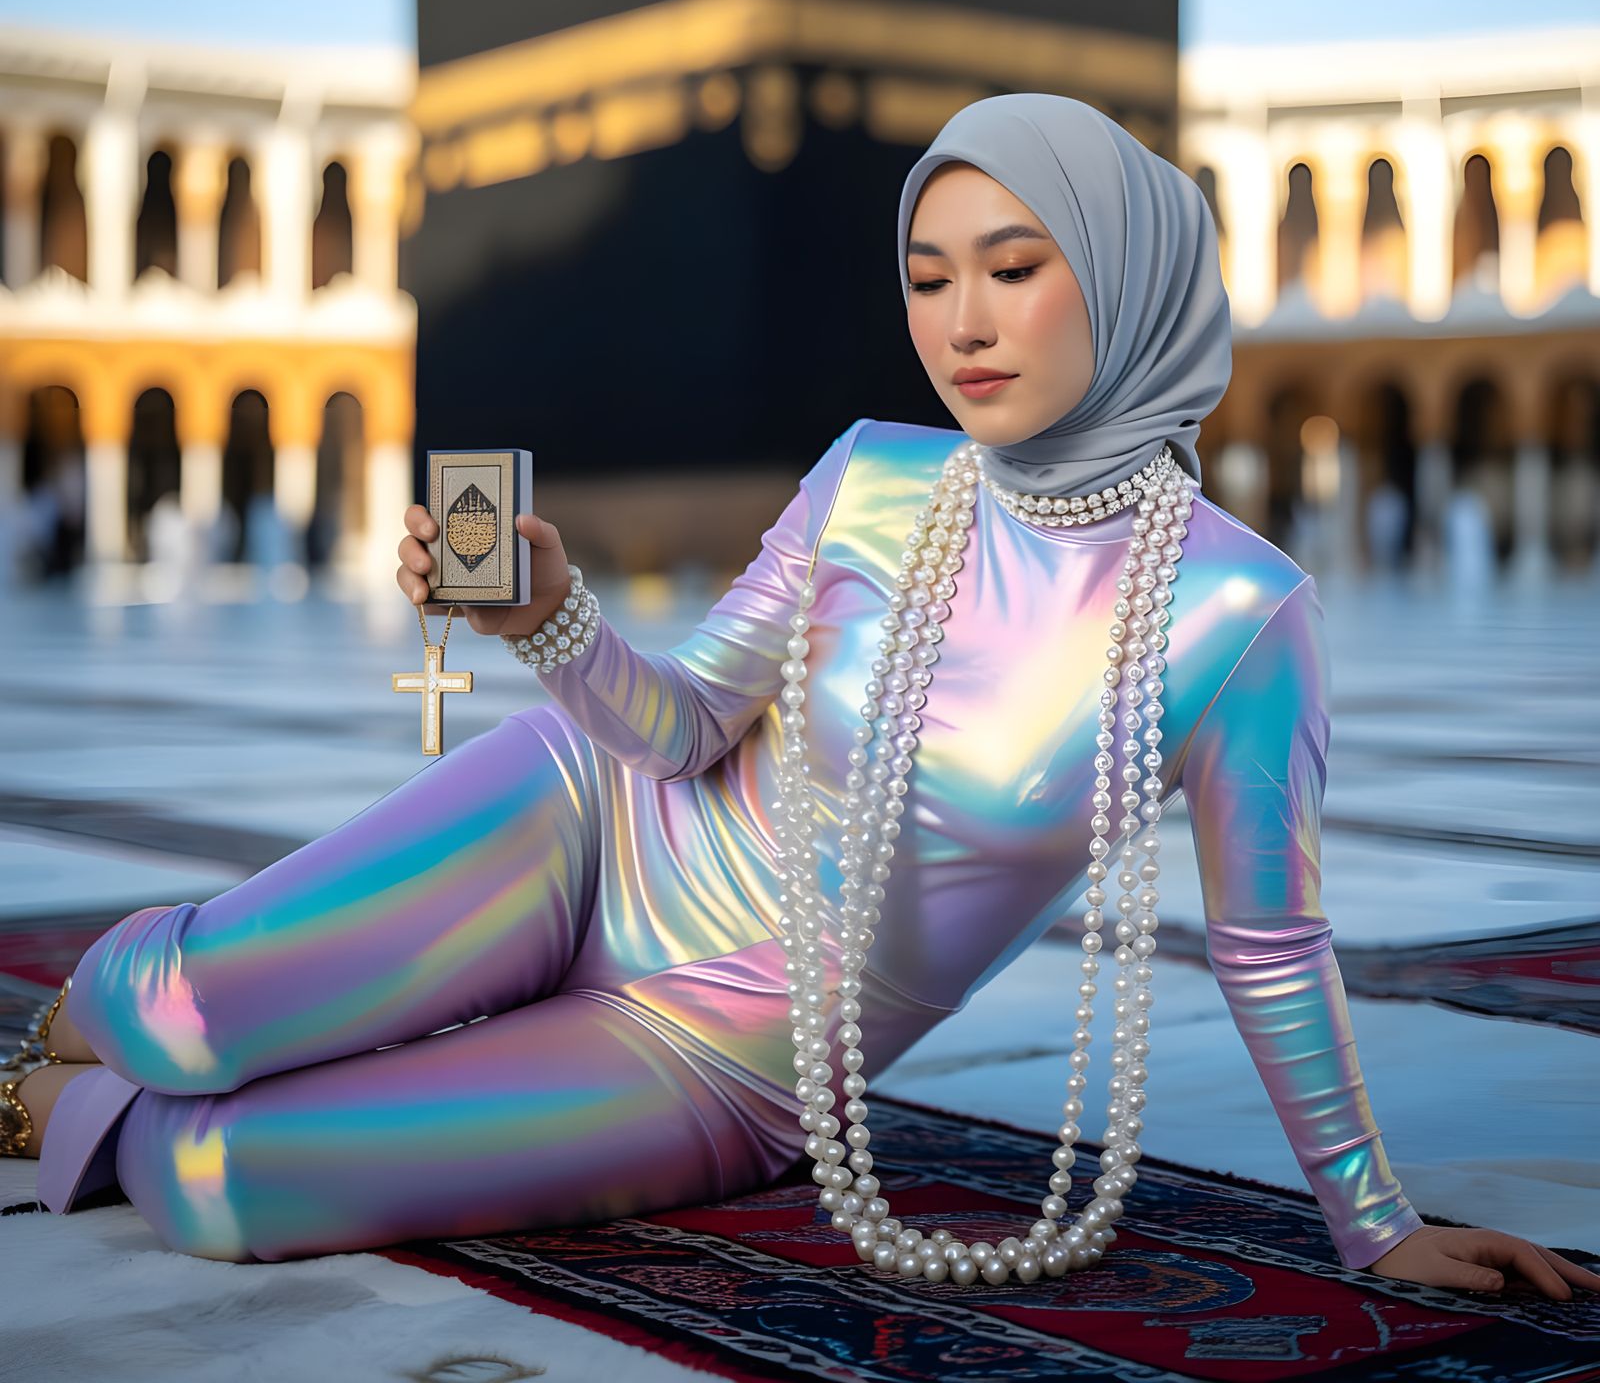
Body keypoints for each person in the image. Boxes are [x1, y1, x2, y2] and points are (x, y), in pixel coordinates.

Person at [7, 95, 1595, 1302]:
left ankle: (103, 1104)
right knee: (183, 1012)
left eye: (1014, 269)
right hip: (591, 826)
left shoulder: (1239, 617)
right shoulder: (871, 480)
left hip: (739, 1061)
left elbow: (1269, 938)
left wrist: (1374, 1221)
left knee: (226, 1182)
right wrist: (549, 616)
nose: (960, 325)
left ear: (1122, 273)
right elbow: (688, 726)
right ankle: (54, 1053)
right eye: (926, 279)